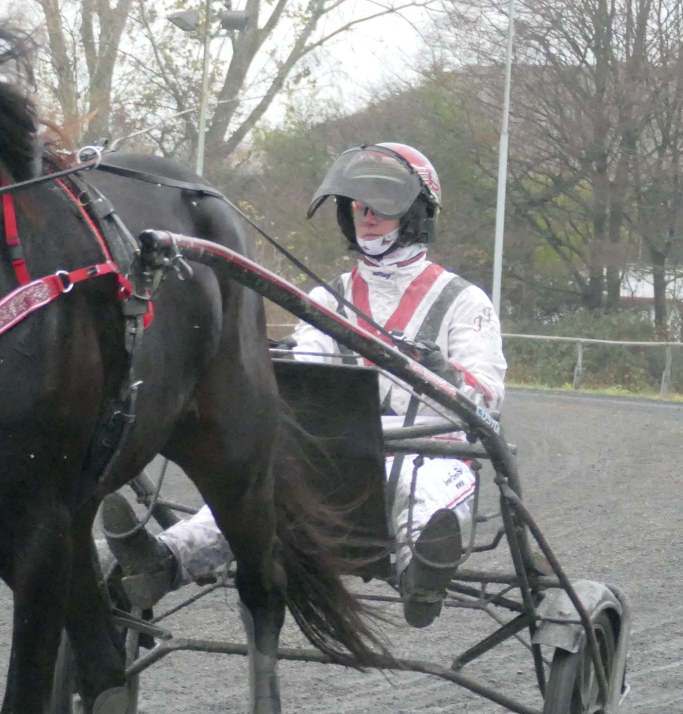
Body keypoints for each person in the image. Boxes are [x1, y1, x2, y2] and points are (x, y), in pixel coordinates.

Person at [105, 142, 507, 628]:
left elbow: (486, 398)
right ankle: (165, 560)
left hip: (431, 449)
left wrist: (443, 373)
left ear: (417, 213)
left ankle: (421, 571)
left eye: (382, 205)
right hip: (338, 451)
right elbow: (307, 363)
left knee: (415, 484)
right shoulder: (329, 296)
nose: (366, 216)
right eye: (357, 206)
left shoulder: (465, 301)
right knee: (256, 486)